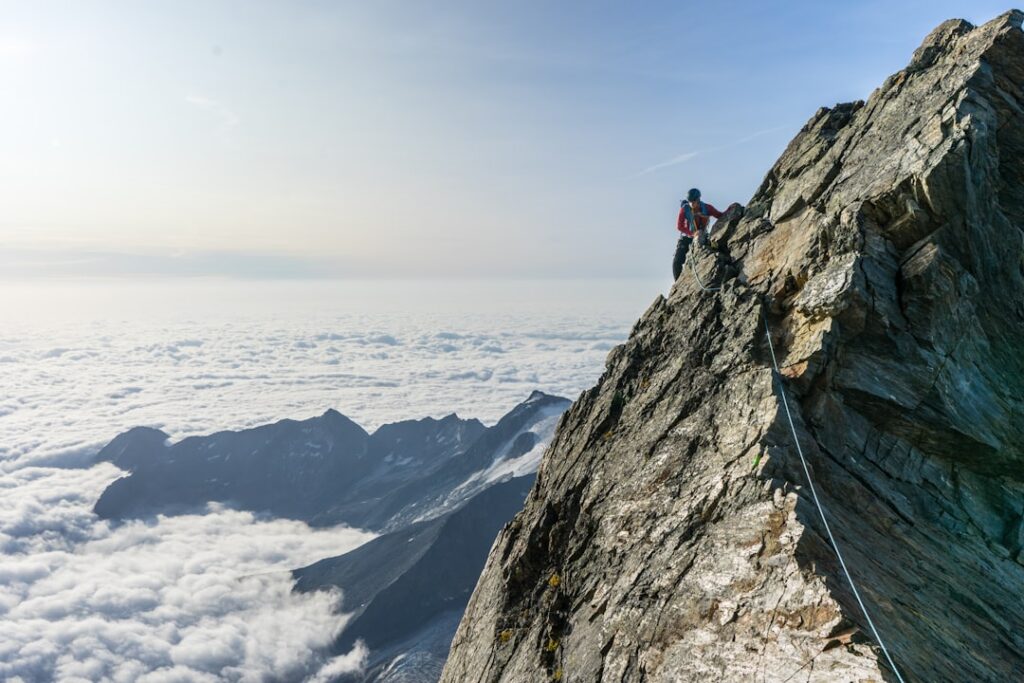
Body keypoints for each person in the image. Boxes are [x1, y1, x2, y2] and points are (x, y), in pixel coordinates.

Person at [673, 188, 723, 280]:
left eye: (693, 201)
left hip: (702, 236)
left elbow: (720, 215)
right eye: (690, 201)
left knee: (717, 249)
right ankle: (677, 284)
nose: (691, 204)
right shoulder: (685, 209)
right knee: (676, 262)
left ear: (698, 199)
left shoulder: (707, 208)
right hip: (687, 237)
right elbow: (680, 226)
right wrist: (692, 234)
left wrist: (731, 209)